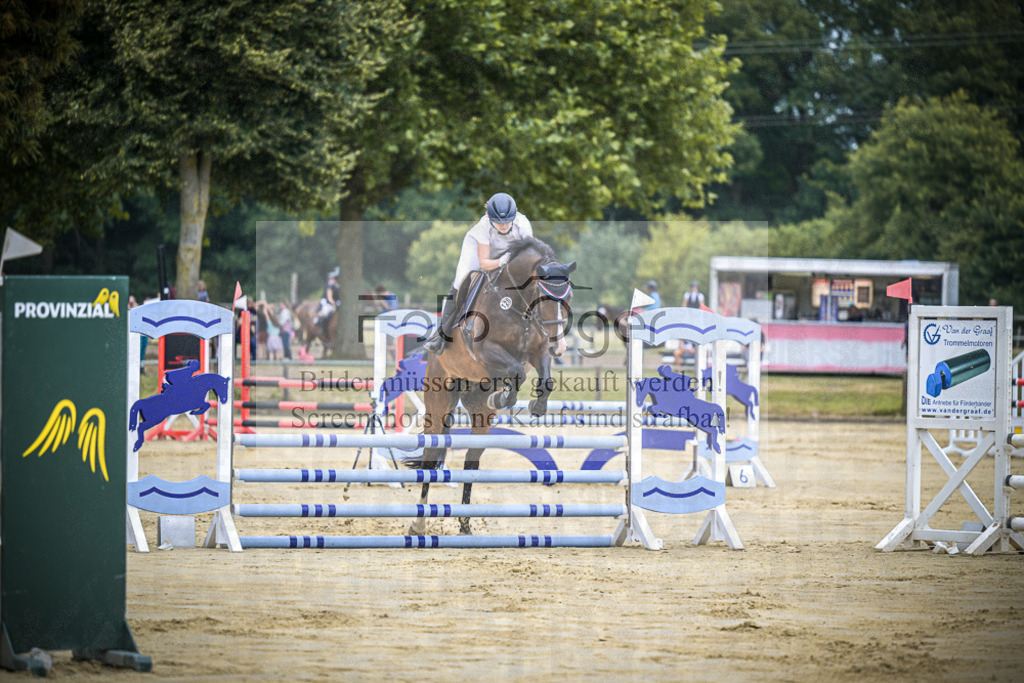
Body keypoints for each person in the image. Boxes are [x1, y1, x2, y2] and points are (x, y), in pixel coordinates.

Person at [422, 192, 533, 355]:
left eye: (507, 221)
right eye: (498, 222)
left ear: (515, 213)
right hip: (478, 250)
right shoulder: (483, 227)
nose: (503, 226)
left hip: (508, 250)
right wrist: (503, 261)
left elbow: (529, 254)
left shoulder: (523, 223)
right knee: (461, 282)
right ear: (489, 216)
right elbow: (484, 263)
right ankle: (441, 334)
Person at [315, 267, 341, 339]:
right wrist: (334, 303)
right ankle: (322, 329)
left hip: (338, 302)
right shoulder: (331, 284)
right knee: (326, 314)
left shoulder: (339, 285)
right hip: (328, 303)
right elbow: (329, 297)